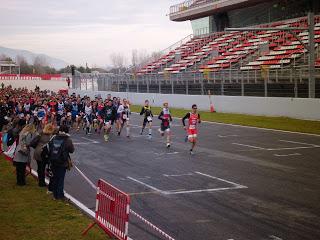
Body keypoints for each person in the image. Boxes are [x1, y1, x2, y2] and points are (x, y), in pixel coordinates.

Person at [48, 125, 74, 200]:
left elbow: (50, 147)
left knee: (55, 178)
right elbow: (72, 150)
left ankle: (55, 194)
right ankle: (59, 195)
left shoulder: (54, 137)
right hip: (62, 161)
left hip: (53, 160)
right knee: (60, 179)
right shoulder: (67, 139)